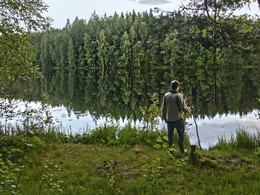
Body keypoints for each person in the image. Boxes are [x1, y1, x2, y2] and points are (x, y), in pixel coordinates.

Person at [161, 80, 193, 153]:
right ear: (177, 87)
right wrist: (190, 109)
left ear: (171, 87)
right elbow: (184, 109)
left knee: (170, 136)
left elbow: (163, 108)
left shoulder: (166, 96)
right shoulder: (179, 96)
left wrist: (164, 118)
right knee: (181, 134)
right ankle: (182, 150)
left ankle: (171, 151)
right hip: (178, 119)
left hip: (169, 119)